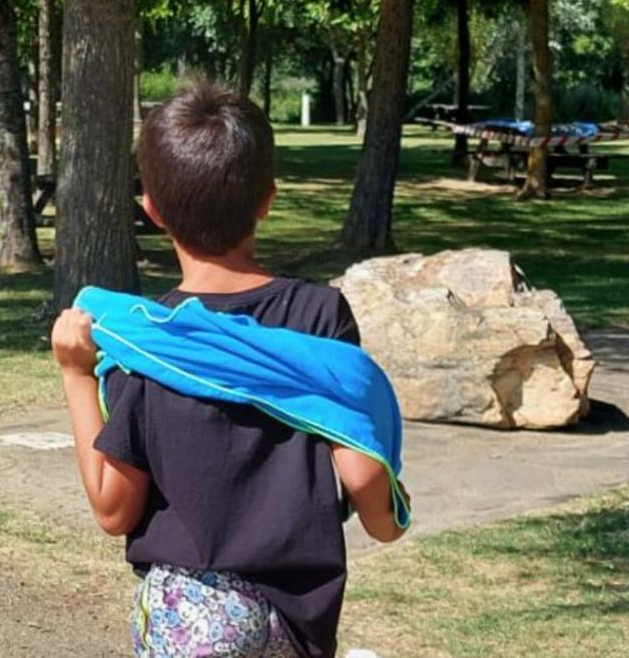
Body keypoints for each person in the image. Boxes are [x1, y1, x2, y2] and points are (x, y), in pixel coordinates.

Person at [51, 81, 410, 658]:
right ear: (266, 200)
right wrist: (386, 521)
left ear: (152, 211)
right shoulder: (319, 316)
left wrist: (75, 373)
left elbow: (114, 509)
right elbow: (363, 473)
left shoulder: (147, 341)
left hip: (189, 618)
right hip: (294, 617)